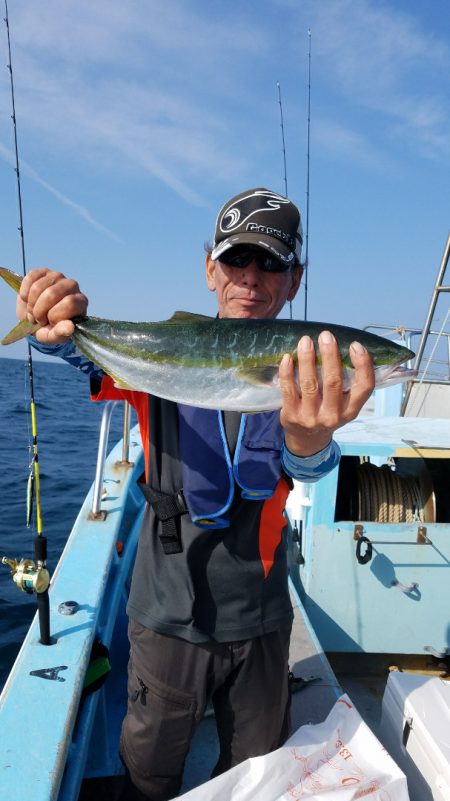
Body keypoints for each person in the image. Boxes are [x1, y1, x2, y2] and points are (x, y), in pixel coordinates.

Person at [17, 188, 374, 801]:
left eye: (272, 264)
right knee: (148, 774)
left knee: (253, 775)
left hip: (262, 618)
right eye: (237, 261)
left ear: (295, 281)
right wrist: (54, 328)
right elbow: (89, 362)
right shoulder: (165, 355)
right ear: (209, 269)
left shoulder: (303, 371)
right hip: (166, 615)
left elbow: (309, 469)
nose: (252, 281)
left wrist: (311, 441)